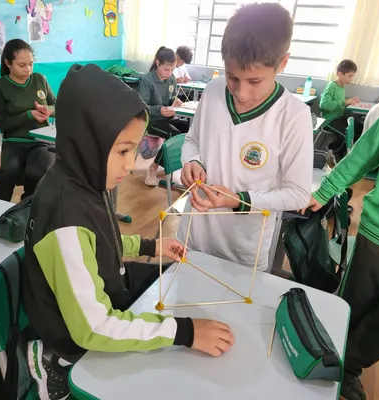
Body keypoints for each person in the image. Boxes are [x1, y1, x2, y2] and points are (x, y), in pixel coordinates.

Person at [22, 64, 235, 400]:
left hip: (104, 293)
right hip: (76, 336)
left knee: (170, 283)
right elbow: (94, 327)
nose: (130, 164)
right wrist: (185, 332)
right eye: (122, 151)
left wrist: (151, 245)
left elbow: (101, 239)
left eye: (132, 150)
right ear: (85, 141)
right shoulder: (65, 217)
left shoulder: (85, 179)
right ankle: (54, 360)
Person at [179, 2, 313, 270]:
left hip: (243, 251)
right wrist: (192, 162)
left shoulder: (294, 114)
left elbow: (298, 194)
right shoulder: (213, 91)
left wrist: (240, 200)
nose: (241, 93)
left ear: (282, 63)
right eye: (232, 77)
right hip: (193, 237)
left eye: (254, 81)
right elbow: (192, 141)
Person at [304, 102, 379, 400]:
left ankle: (347, 368)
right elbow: (363, 153)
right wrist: (324, 190)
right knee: (354, 309)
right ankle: (333, 372)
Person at [0, 39, 55, 201]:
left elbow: (56, 106)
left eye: (31, 64)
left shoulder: (40, 79)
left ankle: (28, 211)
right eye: (22, 65)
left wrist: (48, 110)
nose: (28, 69)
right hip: (14, 141)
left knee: (37, 172)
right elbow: (3, 124)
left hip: (41, 140)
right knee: (7, 174)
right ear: (8, 63)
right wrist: (29, 115)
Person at [137, 46, 189, 186]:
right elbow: (142, 108)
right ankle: (153, 168)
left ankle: (182, 168)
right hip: (151, 121)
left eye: (172, 70)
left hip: (166, 118)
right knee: (173, 135)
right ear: (158, 63)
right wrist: (159, 110)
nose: (169, 73)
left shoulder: (171, 78)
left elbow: (170, 98)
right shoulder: (147, 81)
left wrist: (175, 101)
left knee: (189, 130)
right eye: (166, 70)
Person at [319, 59, 361, 158]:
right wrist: (344, 102)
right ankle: (333, 153)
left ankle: (351, 154)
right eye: (349, 76)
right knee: (345, 135)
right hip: (329, 120)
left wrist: (350, 100)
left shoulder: (341, 86)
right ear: (340, 74)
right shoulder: (332, 86)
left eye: (352, 76)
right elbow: (324, 104)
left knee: (358, 128)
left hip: (338, 117)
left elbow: (337, 100)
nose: (351, 79)